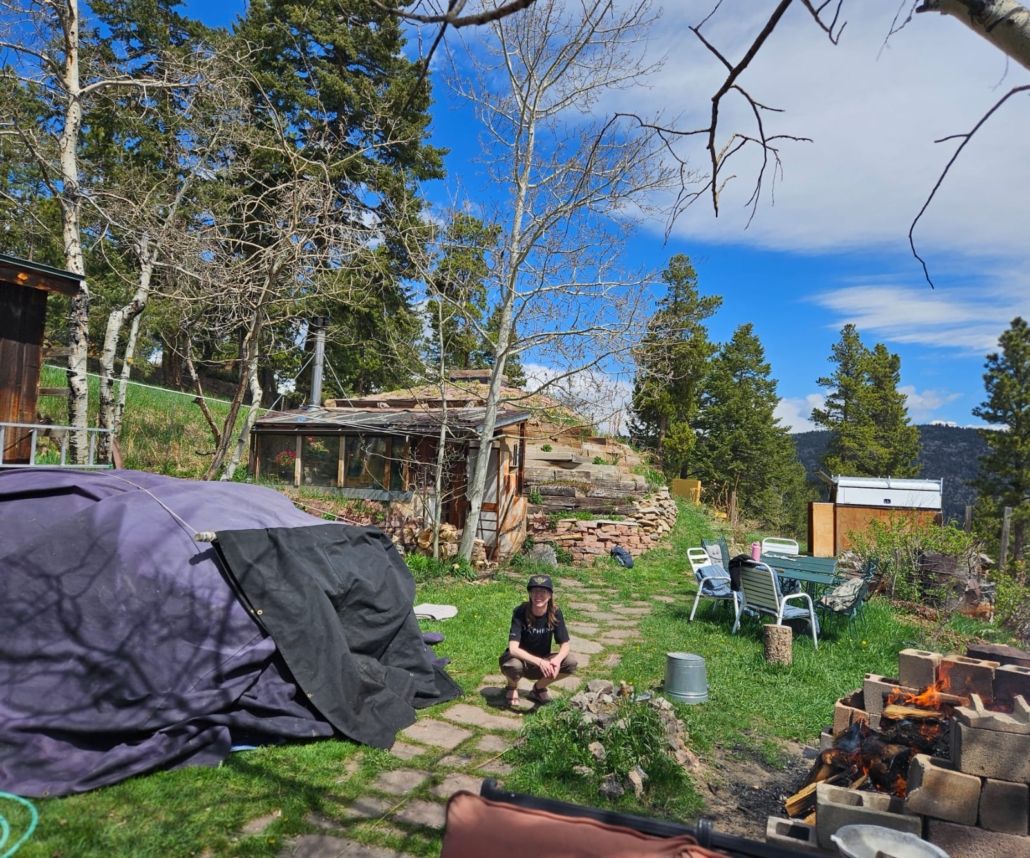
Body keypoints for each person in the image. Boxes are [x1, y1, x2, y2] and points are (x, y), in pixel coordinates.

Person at [500, 574, 578, 706]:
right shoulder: (520, 611)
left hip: (543, 660)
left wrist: (557, 661)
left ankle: (538, 688)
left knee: (570, 662)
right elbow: (513, 649)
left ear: (550, 595)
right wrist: (540, 662)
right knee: (513, 666)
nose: (538, 596)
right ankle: (512, 686)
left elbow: (565, 645)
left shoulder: (554, 612)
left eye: (543, 592)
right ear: (530, 594)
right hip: (520, 660)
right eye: (534, 592)